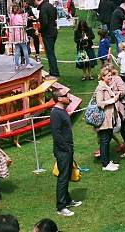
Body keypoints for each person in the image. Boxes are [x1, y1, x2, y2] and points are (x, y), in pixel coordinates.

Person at [50, 86, 82, 217]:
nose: (68, 96)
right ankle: (61, 207)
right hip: (63, 150)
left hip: (67, 149)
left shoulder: (62, 111)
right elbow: (56, 134)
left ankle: (68, 200)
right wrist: (66, 148)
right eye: (65, 95)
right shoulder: (56, 113)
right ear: (59, 99)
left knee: (67, 175)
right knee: (63, 178)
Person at [95, 66, 122, 171]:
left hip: (109, 119)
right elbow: (99, 103)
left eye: (111, 75)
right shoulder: (100, 88)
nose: (111, 77)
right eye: (108, 76)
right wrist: (113, 100)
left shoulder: (106, 86)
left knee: (107, 138)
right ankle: (105, 164)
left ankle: (107, 161)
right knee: (105, 140)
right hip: (104, 120)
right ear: (103, 77)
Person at [35, 0, 59, 77]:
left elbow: (44, 22)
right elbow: (55, 16)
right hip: (53, 31)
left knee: (50, 53)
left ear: (35, 0)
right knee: (51, 52)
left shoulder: (43, 8)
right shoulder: (50, 5)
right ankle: (53, 70)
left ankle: (54, 72)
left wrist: (39, 30)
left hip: (48, 33)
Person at [9, 4, 33, 69]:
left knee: (17, 50)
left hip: (15, 35)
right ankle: (27, 63)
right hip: (21, 34)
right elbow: (23, 24)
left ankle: (16, 64)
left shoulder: (11, 16)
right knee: (25, 48)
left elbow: (10, 24)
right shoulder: (19, 16)